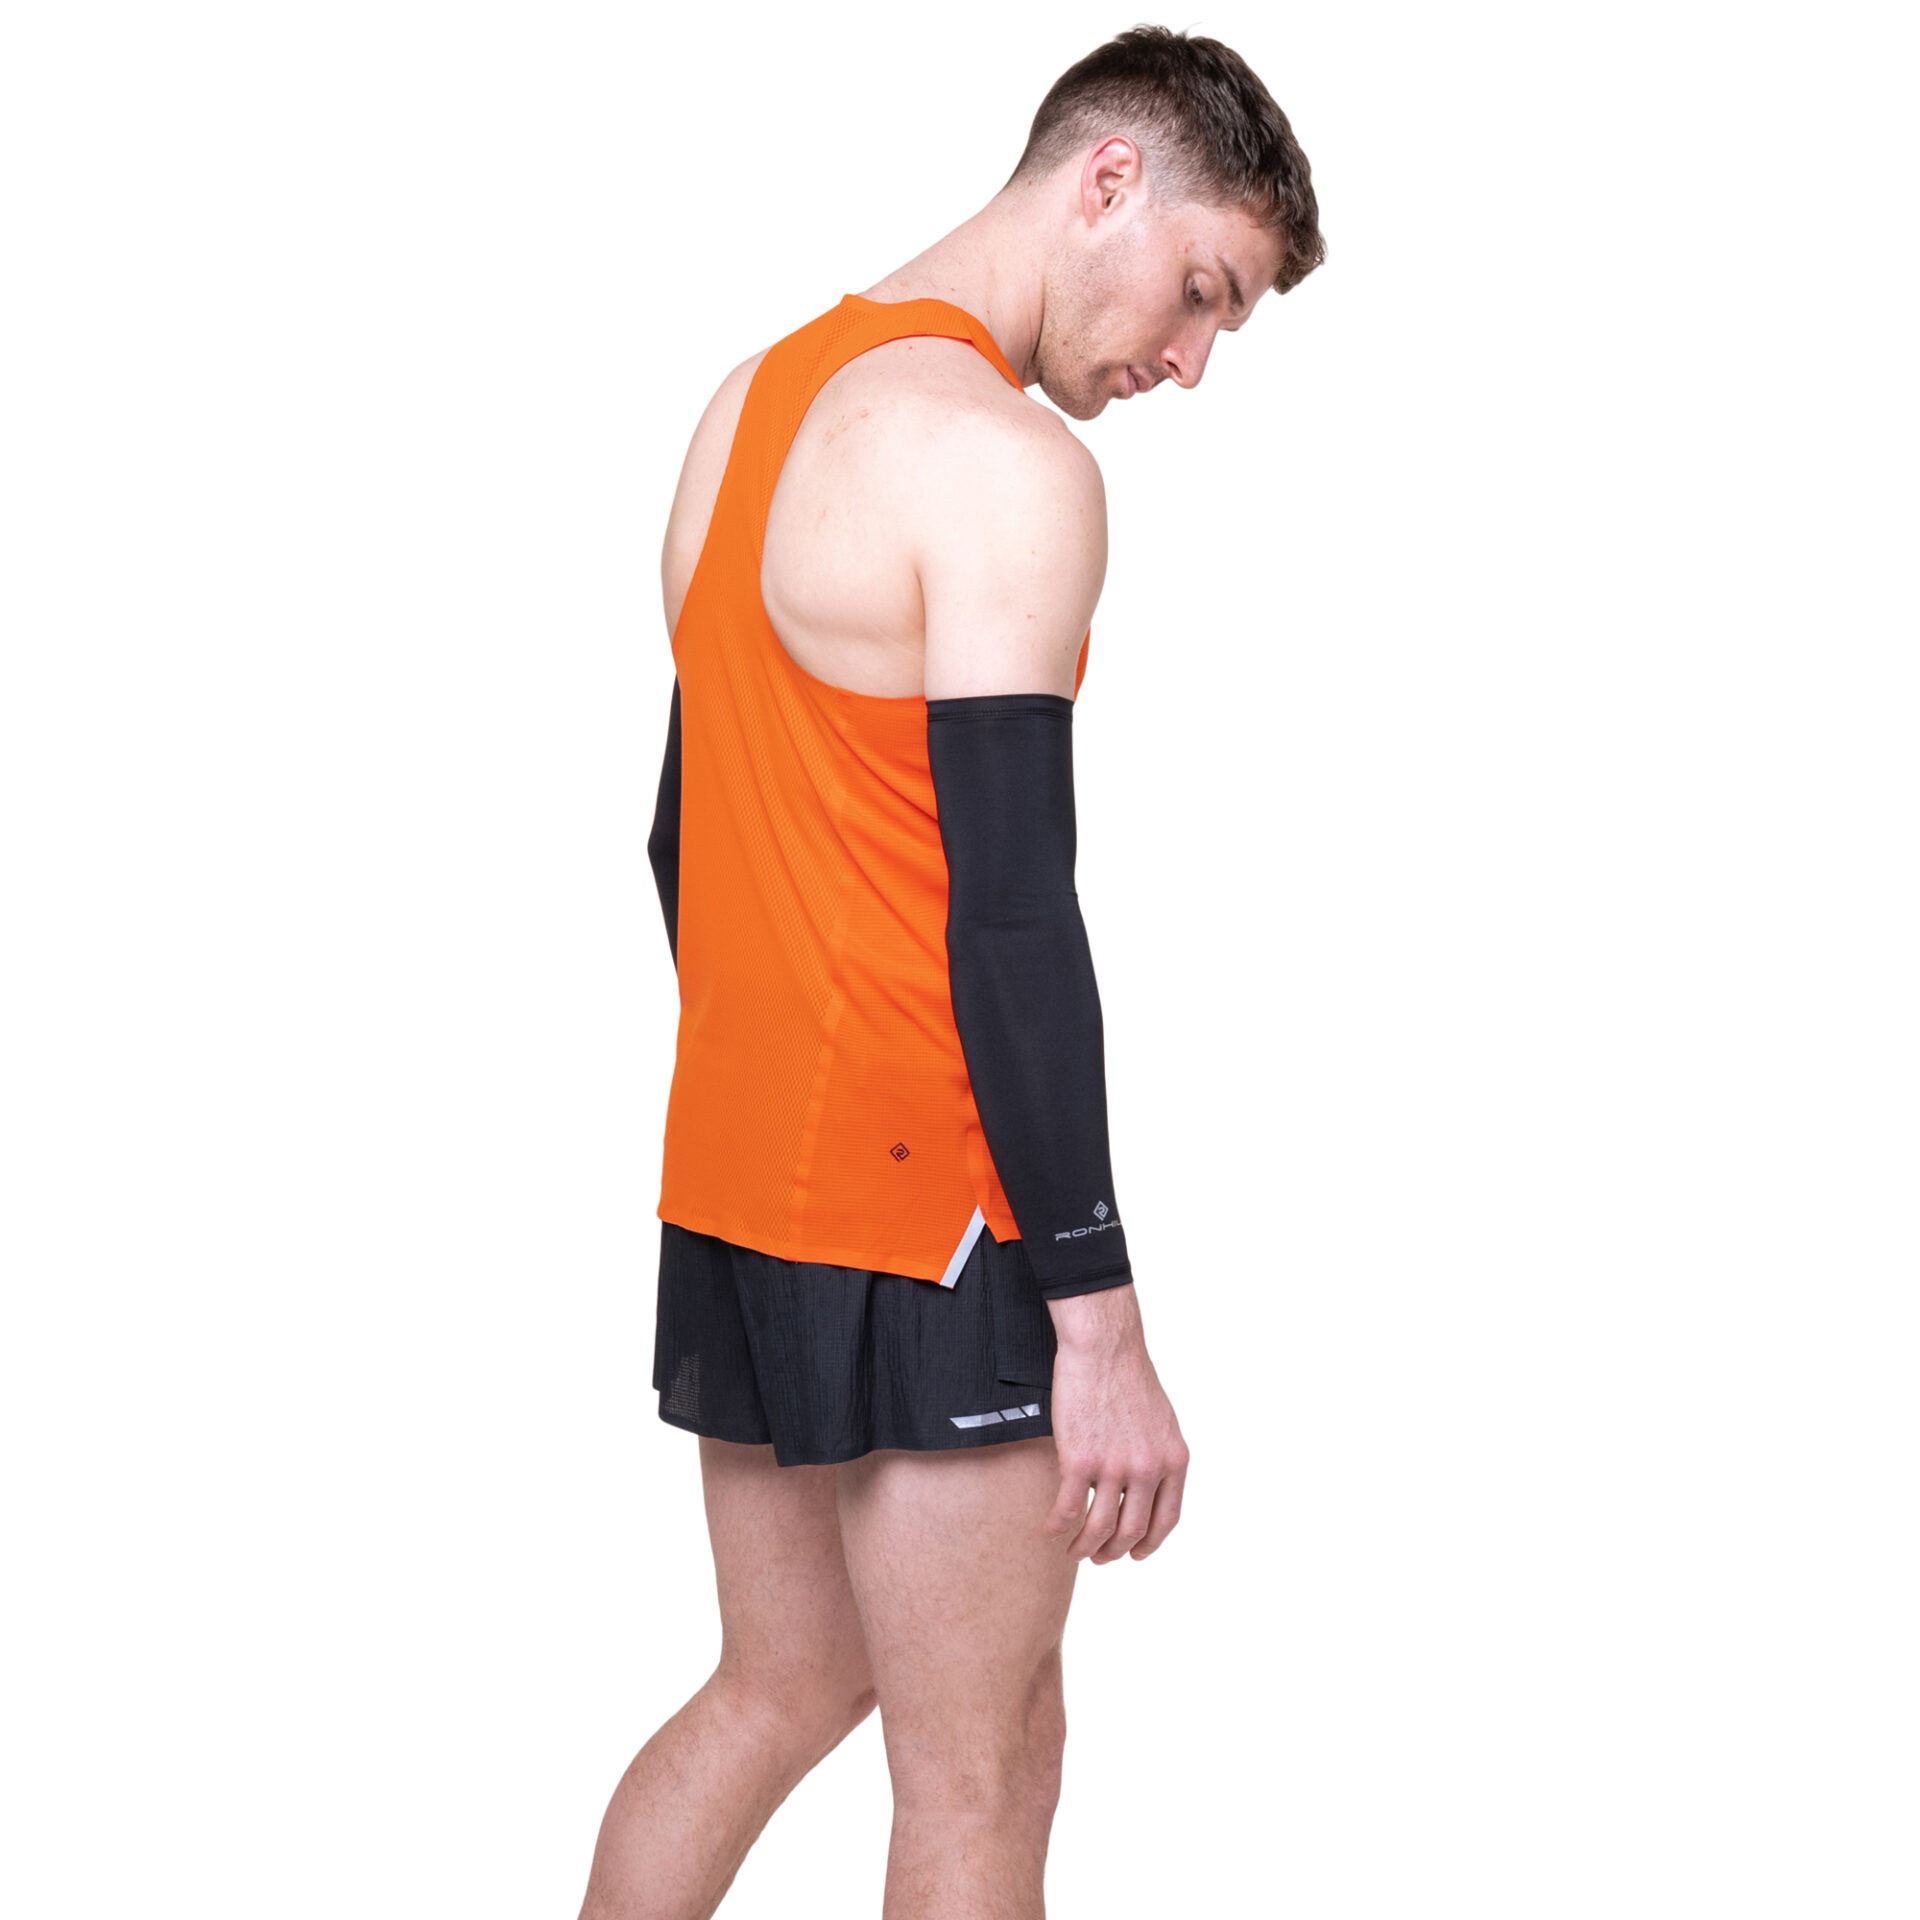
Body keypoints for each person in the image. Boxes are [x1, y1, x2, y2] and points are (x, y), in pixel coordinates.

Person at [579, 25, 1323, 1918]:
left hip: (740, 1182)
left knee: (773, 1688)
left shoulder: (748, 406)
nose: (1190, 360)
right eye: (1203, 290)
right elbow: (1011, 918)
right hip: (938, 1215)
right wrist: (1098, 1317)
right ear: (1106, 182)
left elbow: (682, 841)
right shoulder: (1003, 467)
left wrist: (787, 1107)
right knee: (983, 1774)